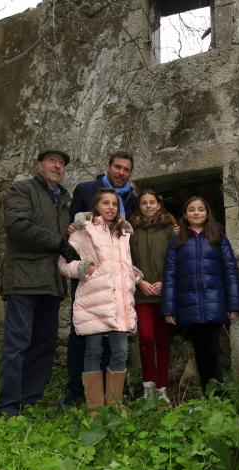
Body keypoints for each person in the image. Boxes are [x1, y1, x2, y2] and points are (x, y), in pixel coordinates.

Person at [0, 149, 80, 418]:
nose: (57, 166)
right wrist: (59, 242)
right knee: (17, 344)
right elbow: (17, 226)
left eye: (62, 163)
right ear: (40, 165)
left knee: (44, 343)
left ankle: (29, 400)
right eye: (52, 161)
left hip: (51, 282)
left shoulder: (63, 200)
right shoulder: (23, 190)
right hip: (23, 279)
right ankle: (8, 407)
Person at [60, 151, 138, 409]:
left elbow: (125, 253)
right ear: (108, 167)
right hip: (92, 287)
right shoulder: (86, 190)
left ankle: (111, 401)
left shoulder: (131, 205)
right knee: (86, 341)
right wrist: (75, 227)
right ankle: (79, 393)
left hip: (118, 291)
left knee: (118, 349)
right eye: (117, 167)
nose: (121, 172)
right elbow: (69, 235)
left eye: (126, 169)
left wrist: (131, 274)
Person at [161, 196, 239, 392]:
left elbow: (230, 271)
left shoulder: (218, 237)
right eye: (191, 209)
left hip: (214, 303)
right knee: (200, 350)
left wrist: (234, 304)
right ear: (185, 214)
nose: (196, 212)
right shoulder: (178, 240)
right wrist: (169, 309)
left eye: (200, 209)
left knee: (213, 350)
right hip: (189, 304)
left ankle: (218, 393)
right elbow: (170, 275)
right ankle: (209, 393)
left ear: (207, 213)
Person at [130, 190, 176, 403]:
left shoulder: (170, 229)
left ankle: (162, 388)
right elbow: (125, 260)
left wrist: (166, 281)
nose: (148, 206)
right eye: (144, 203)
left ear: (159, 204)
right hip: (142, 294)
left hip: (164, 293)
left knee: (163, 341)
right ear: (139, 206)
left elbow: (175, 258)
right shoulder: (131, 230)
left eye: (152, 202)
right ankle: (148, 386)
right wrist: (140, 282)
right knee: (147, 338)